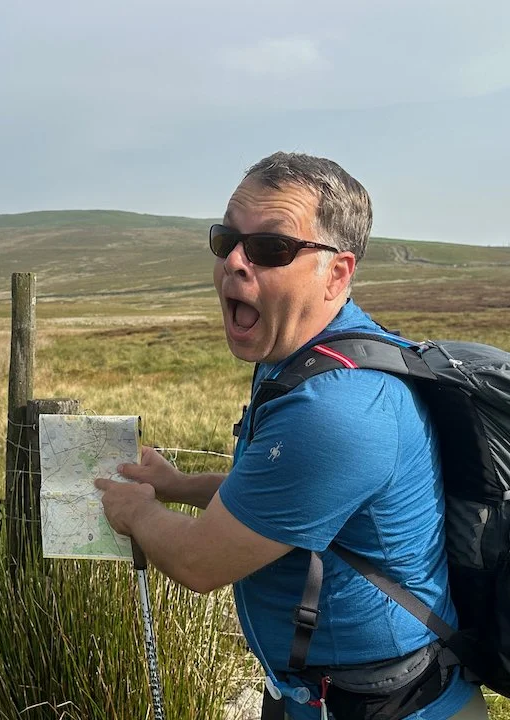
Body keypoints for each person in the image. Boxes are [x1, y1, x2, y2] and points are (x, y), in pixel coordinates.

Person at [94, 152, 488, 719]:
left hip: (391, 707)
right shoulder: (303, 358)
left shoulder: (336, 408)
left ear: (337, 273)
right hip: (317, 695)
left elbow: (200, 563)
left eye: (270, 249)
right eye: (226, 237)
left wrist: (138, 512)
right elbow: (276, 495)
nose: (234, 261)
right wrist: (178, 486)